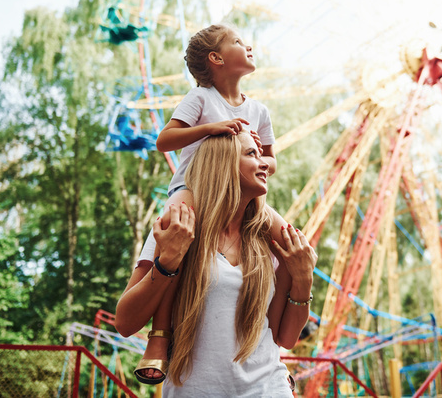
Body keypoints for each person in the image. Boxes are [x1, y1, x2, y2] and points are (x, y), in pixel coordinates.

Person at [133, 24, 283, 384]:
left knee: (291, 240)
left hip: (235, 194)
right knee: (177, 253)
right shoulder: (200, 98)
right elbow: (165, 140)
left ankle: (275, 353)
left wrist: (258, 163)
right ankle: (158, 338)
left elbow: (272, 159)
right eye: (236, 42)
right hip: (193, 187)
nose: (247, 45)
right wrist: (210, 129)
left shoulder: (258, 110)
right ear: (215, 59)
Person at [115, 132, 317, 396]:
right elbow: (125, 322)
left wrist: (303, 279)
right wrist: (168, 262)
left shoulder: (265, 241)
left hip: (269, 387)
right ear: (223, 163)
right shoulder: (178, 227)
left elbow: (286, 338)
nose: (266, 163)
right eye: (251, 154)